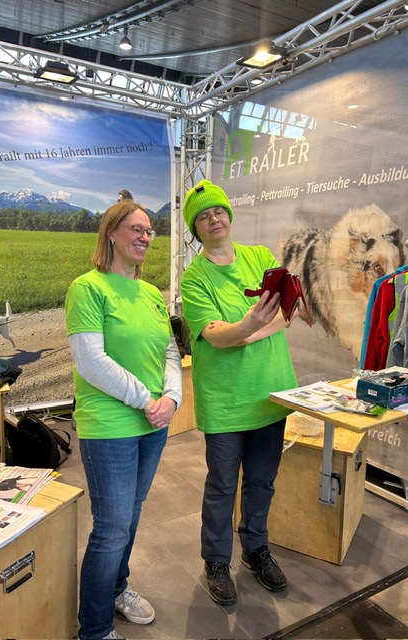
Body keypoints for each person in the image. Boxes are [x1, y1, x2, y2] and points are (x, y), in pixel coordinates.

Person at [65, 200, 182, 640]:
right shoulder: (88, 288)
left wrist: (172, 397)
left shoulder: (151, 294)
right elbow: (91, 361)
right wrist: (146, 399)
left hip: (153, 423)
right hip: (110, 424)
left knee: (130, 517)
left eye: (149, 230)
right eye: (135, 229)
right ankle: (94, 631)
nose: (145, 237)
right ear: (111, 233)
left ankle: (116, 588)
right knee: (111, 528)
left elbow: (170, 350)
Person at [180, 179, 299, 607]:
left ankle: (255, 549)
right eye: (203, 216)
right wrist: (247, 327)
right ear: (195, 229)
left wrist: (244, 333)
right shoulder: (194, 279)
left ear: (229, 216)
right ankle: (216, 561)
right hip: (226, 401)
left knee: (262, 482)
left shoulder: (260, 258)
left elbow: (287, 313)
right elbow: (214, 336)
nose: (214, 219)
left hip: (271, 395)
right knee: (222, 486)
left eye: (218, 211)